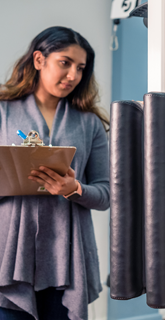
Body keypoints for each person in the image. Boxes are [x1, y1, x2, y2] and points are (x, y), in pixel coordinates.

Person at [0, 27, 110, 320]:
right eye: (65, 63)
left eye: (80, 68)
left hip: (67, 259)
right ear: (39, 60)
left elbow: (107, 193)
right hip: (9, 257)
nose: (73, 75)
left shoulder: (90, 124)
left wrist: (75, 188)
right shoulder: (2, 112)